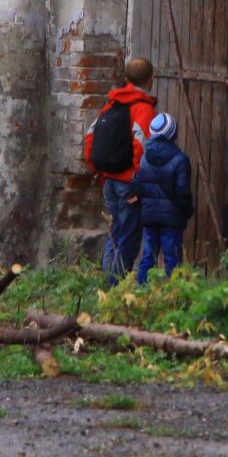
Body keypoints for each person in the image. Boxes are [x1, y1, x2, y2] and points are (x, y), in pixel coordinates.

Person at [85, 55, 158, 285]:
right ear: (151, 80)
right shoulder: (143, 109)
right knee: (128, 238)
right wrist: (138, 179)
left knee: (114, 235)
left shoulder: (111, 104)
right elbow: (141, 146)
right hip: (129, 183)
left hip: (109, 181)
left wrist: (96, 168)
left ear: (126, 78)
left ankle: (106, 287)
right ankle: (115, 289)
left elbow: (90, 137)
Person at [133, 112, 193, 283]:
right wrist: (188, 210)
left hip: (150, 215)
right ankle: (173, 297)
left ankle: (141, 293)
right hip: (171, 218)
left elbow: (140, 185)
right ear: (173, 134)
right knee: (172, 260)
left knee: (148, 256)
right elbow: (183, 192)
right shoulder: (180, 160)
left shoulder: (145, 158)